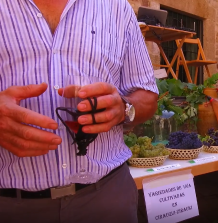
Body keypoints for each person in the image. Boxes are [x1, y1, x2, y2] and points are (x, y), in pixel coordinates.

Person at [0, 1, 158, 223]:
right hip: (11, 207)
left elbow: (147, 96)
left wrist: (124, 108)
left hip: (107, 199)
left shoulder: (116, 8)